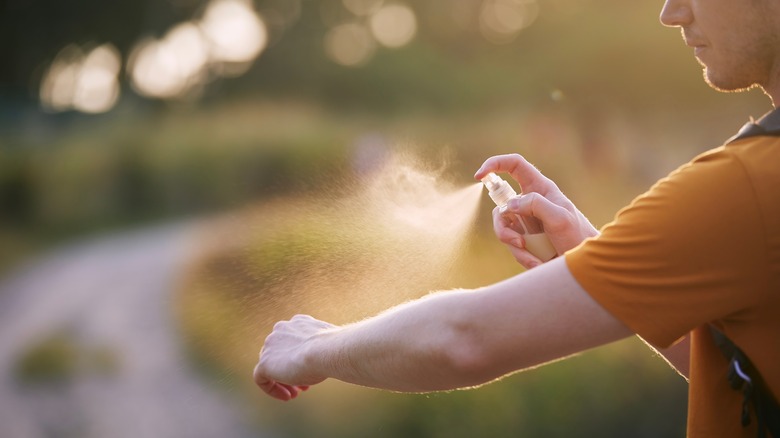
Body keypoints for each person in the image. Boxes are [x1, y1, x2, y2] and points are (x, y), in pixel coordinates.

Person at [253, 0, 780, 435]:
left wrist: (312, 348)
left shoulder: (748, 186)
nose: (671, 12)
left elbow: (464, 340)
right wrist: (591, 254)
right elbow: (743, 374)